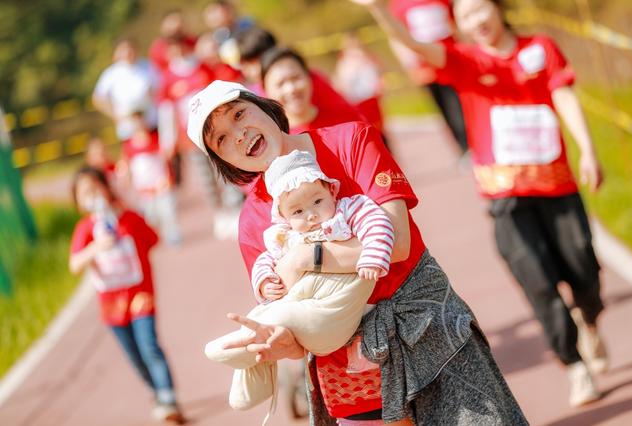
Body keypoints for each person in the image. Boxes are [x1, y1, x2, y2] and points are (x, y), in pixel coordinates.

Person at [187, 80, 527, 425]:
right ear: (222, 161)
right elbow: (295, 317)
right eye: (221, 139)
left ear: (264, 106)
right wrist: (279, 345)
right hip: (348, 370)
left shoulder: (350, 140)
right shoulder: (253, 220)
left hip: (428, 330)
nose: (239, 135)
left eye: (239, 114)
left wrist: (308, 258)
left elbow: (397, 244)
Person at [352, 0, 608, 408]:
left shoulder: (539, 48)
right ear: (460, 25)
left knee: (583, 268)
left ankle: (590, 317)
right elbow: (414, 44)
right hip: (504, 195)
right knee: (537, 281)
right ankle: (574, 364)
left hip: (557, 186)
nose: (477, 21)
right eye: (466, 16)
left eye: (481, 10)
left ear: (498, 9)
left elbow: (563, 96)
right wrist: (380, 10)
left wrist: (588, 150)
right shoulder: (464, 61)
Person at [204, 149, 393, 415]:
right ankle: (252, 373)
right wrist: (265, 282)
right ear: (283, 215)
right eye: (298, 211)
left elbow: (378, 224)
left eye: (317, 201)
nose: (311, 215)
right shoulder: (283, 236)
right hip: (307, 311)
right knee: (266, 311)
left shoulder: (349, 209)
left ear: (331, 190)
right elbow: (264, 261)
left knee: (280, 314)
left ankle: (246, 342)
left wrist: (372, 257)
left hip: (335, 309)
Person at [68, 166, 184, 423]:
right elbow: (75, 264)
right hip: (111, 307)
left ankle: (168, 399)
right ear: (77, 201)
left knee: (150, 346)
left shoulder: (129, 217)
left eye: (95, 187)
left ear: (106, 188)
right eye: (84, 192)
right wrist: (95, 248)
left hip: (141, 296)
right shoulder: (85, 229)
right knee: (135, 356)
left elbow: (152, 239)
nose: (92, 195)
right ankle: (156, 391)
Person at [388, 0, 469, 156]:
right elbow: (396, 35)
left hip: (450, 61)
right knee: (444, 108)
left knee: (460, 103)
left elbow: (457, 22)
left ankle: (472, 142)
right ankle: (463, 147)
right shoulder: (399, 4)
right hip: (425, 68)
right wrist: (408, 63)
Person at [260, 47, 365, 135]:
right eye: (280, 84)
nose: (291, 89)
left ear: (310, 78)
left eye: (296, 78)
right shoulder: (273, 140)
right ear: (266, 90)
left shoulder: (347, 119)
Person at [121, 112, 182, 245]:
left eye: (140, 121)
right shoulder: (128, 147)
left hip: (161, 185)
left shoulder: (155, 139)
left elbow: (166, 159)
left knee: (167, 212)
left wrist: (168, 178)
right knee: (151, 216)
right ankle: (155, 238)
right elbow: (127, 166)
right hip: (144, 189)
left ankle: (173, 236)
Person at [92, 38, 158, 142]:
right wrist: (117, 116)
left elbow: (160, 89)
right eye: (124, 50)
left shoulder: (148, 66)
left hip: (152, 124)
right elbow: (98, 98)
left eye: (130, 49)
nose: (128, 53)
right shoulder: (112, 73)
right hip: (128, 130)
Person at [333, 32, 387, 137]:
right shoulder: (343, 63)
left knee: (379, 130)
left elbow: (379, 74)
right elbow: (340, 82)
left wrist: (381, 84)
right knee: (366, 129)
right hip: (356, 102)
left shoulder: (367, 58)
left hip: (371, 99)